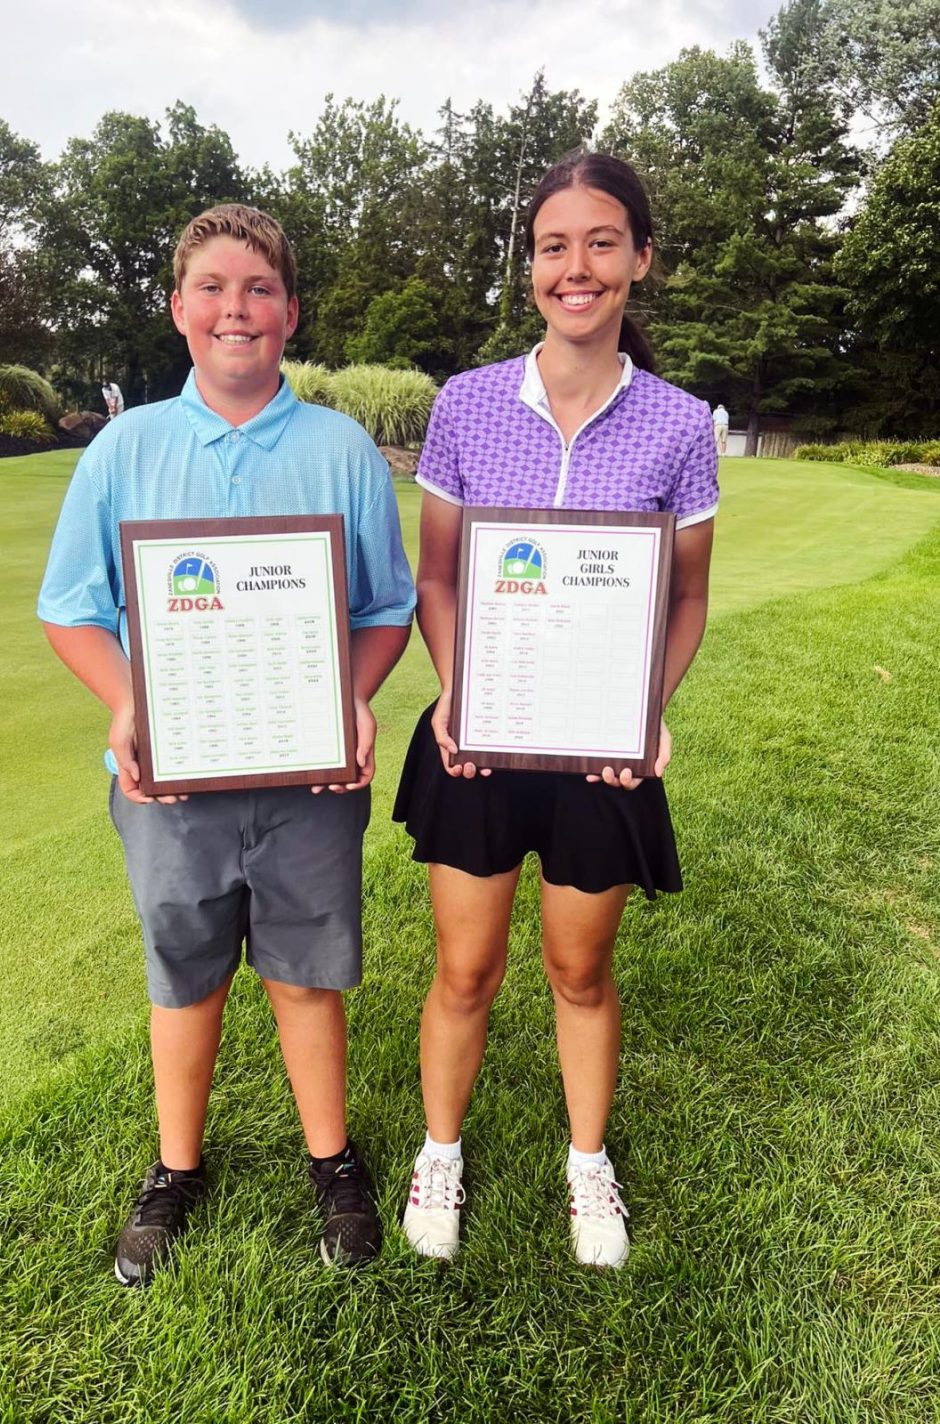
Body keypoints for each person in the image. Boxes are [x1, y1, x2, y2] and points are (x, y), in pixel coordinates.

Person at [38, 204, 415, 1285]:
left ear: (290, 311)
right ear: (178, 310)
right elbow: (71, 606)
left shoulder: (341, 449)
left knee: (305, 973)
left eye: (257, 288)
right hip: (171, 782)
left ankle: (332, 1161)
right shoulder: (126, 446)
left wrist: (353, 691)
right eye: (211, 286)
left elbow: (385, 606)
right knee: (186, 972)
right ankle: (175, 1167)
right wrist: (125, 703)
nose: (234, 308)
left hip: (306, 773)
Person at [393, 152, 718, 1268]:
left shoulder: (679, 422)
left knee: (580, 971)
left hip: (599, 758)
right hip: (476, 742)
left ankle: (588, 1167)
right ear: (530, 263)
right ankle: (442, 1148)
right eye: (551, 245)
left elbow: (685, 595)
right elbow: (437, 577)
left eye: (599, 242)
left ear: (639, 259)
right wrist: (452, 688)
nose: (574, 268)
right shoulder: (468, 404)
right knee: (464, 971)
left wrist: (646, 708)